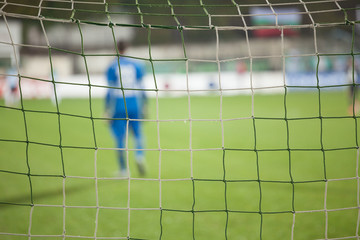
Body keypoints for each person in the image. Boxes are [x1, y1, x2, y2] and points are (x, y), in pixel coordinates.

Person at [105, 41, 147, 177]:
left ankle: (124, 170)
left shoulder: (112, 66)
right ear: (127, 48)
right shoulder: (136, 65)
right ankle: (139, 156)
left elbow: (110, 90)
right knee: (138, 133)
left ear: (116, 49)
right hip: (134, 102)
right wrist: (145, 105)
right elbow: (142, 87)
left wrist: (107, 109)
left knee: (120, 137)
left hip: (119, 104)